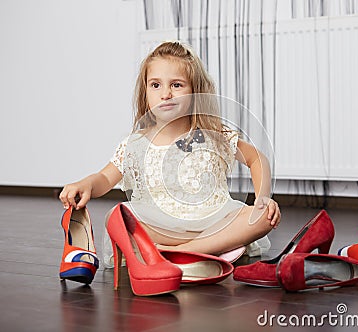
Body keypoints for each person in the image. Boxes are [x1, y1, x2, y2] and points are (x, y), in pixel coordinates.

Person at [59, 41, 281, 266]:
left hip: (213, 221)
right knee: (118, 216)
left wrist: (263, 198)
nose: (165, 94)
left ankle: (181, 252)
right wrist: (86, 183)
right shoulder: (134, 143)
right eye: (155, 85)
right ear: (145, 92)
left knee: (263, 216)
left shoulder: (214, 135)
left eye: (176, 85)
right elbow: (106, 178)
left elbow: (257, 159)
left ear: (195, 91)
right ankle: (212, 249)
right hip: (161, 228)